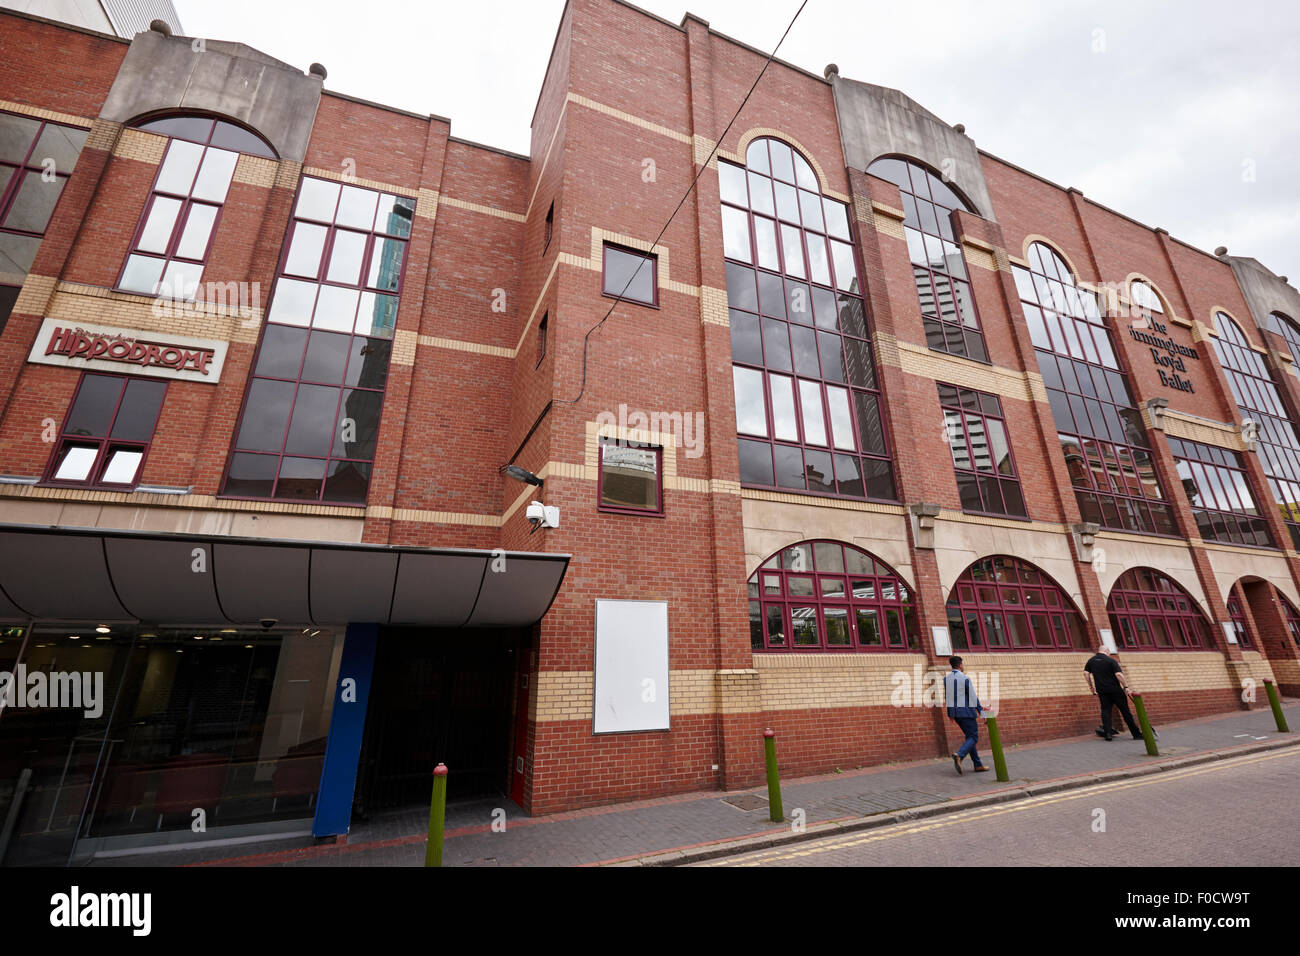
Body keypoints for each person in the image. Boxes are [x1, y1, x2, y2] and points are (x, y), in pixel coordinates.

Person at [1084, 646, 1142, 741]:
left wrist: (1091, 686)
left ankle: (1108, 734)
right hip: (1115, 690)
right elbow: (1118, 674)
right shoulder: (1111, 660)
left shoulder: (1091, 661)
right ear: (1107, 651)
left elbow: (1086, 673)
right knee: (1125, 711)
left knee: (1106, 711)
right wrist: (1126, 686)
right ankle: (1136, 734)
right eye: (1109, 653)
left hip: (1102, 691)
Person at [944, 656, 990, 774]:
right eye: (962, 664)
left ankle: (977, 764)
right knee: (973, 737)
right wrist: (982, 712)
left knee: (970, 737)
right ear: (960, 665)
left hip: (956, 714)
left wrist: (950, 713)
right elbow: (973, 697)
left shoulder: (946, 679)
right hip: (966, 713)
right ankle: (959, 755)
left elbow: (948, 697)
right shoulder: (964, 678)